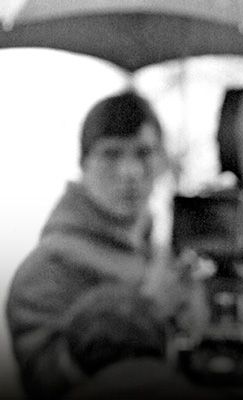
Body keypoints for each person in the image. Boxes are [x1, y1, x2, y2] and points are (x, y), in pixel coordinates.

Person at [5, 90, 195, 399]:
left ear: (161, 160)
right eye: (111, 154)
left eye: (144, 153)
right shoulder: (49, 266)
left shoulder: (164, 257)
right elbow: (46, 384)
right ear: (83, 164)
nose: (131, 172)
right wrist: (149, 309)